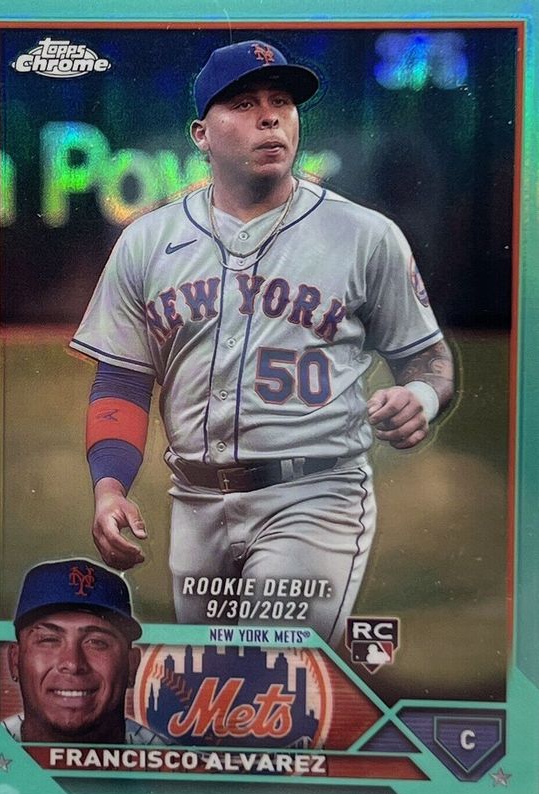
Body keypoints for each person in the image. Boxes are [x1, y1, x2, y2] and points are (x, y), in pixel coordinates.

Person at [70, 39, 454, 646]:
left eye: (281, 101)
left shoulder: (365, 235)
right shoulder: (147, 242)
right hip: (195, 501)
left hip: (315, 494)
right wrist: (109, 487)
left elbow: (428, 359)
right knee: (215, 684)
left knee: (267, 666)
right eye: (245, 104)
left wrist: (423, 398)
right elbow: (122, 378)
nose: (270, 116)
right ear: (201, 134)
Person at [1, 558, 164, 744]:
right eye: (49, 640)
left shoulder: (174, 760)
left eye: (97, 642)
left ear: (132, 665)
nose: (73, 664)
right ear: (14, 661)